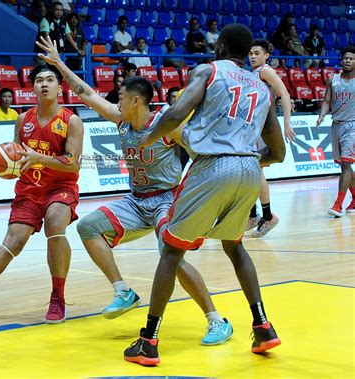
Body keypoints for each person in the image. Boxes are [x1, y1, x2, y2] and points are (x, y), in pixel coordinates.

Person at [36, 35, 234, 346]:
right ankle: (123, 291)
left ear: (135, 101)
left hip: (166, 201)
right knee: (88, 227)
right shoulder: (122, 122)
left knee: (172, 257)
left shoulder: (167, 126)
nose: (117, 102)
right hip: (136, 201)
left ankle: (216, 320)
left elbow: (201, 156)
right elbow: (85, 93)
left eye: (121, 97)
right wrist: (59, 64)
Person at [124, 24, 286, 366]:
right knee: (234, 245)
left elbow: (176, 113)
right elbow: (280, 153)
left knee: (171, 249)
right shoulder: (261, 86)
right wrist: (250, 160)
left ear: (222, 45)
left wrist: (150, 139)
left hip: (212, 165)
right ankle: (263, 326)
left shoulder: (209, 71)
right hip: (248, 169)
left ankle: (148, 340)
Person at [0, 64, 84, 324]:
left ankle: (57, 297)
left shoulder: (72, 121)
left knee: (56, 224)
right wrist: (9, 166)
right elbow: (16, 156)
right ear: (32, 87)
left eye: (50, 80)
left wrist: (38, 157)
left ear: (60, 87)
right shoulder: (23, 119)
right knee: (13, 242)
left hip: (61, 188)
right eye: (39, 80)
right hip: (29, 189)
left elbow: (73, 162)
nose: (44, 84)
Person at [247, 39, 296, 237]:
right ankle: (253, 214)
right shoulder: (253, 73)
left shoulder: (265, 71)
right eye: (250, 53)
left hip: (266, 126)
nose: (252, 56)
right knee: (250, 171)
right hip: (255, 127)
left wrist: (287, 123)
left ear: (266, 55)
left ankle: (266, 216)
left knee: (254, 170)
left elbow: (284, 93)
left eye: (257, 53)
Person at [316, 46, 355, 217]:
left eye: (351, 58)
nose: (347, 61)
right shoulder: (333, 79)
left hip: (352, 126)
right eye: (345, 58)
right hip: (336, 125)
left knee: (346, 165)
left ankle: (338, 205)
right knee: (344, 165)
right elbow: (326, 100)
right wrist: (322, 116)